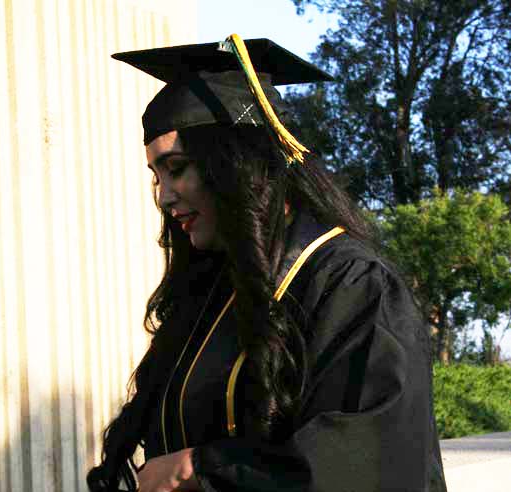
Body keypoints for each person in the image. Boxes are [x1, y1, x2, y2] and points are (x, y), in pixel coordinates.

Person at [87, 35, 447, 492]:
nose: (164, 196)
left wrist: (202, 468)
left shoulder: (351, 283)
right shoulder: (215, 291)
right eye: (156, 176)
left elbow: (370, 458)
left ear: (235, 163)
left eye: (176, 168)